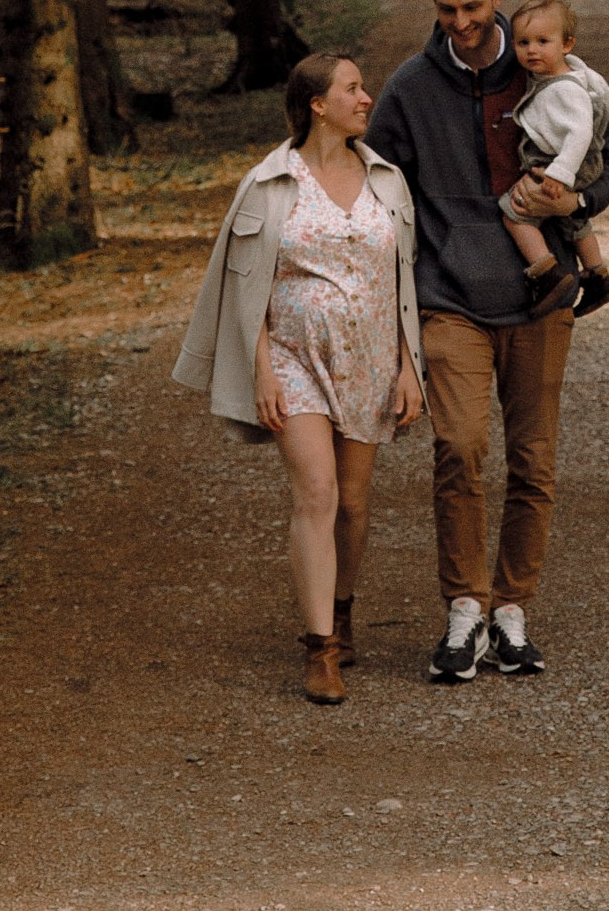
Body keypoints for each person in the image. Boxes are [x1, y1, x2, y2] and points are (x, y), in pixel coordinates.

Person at [365, 0, 609, 684]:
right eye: (446, 9)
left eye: (473, 7)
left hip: (543, 300)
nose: (460, 23)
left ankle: (512, 610)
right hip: (450, 298)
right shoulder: (411, 87)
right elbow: (374, 187)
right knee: (458, 447)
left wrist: (579, 201)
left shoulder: (547, 65)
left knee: (533, 460)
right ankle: (465, 608)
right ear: (433, 2)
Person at [174, 51, 425, 704]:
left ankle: (342, 609)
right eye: (353, 89)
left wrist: (409, 367)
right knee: (317, 491)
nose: (366, 98)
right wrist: (261, 371)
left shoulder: (386, 180)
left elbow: (403, 281)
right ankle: (320, 649)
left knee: (354, 501)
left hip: (370, 359)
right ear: (318, 105)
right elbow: (245, 286)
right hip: (292, 358)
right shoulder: (269, 183)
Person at [497, 0, 609, 317]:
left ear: (567, 44)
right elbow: (600, 86)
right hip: (576, 161)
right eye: (523, 43)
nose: (532, 50)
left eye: (543, 42)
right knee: (575, 220)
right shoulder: (577, 69)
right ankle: (598, 276)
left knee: (515, 212)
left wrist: (559, 174)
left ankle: (546, 273)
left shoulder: (564, 90)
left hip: (567, 161)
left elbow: (580, 133)